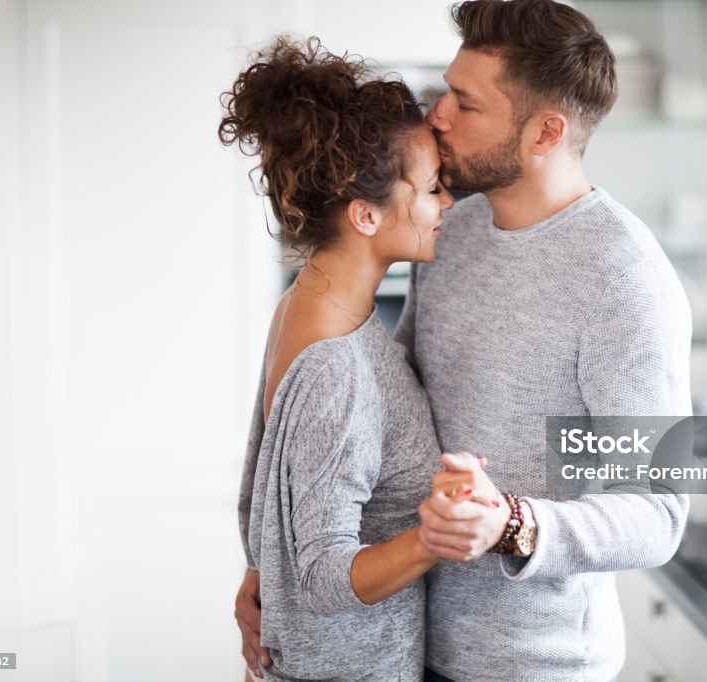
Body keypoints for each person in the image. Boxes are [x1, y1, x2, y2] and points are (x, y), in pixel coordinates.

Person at [237, 0, 693, 678]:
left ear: (545, 133)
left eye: (464, 103)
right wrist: (273, 565)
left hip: (534, 663)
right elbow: (391, 408)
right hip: (409, 639)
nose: (437, 115)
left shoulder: (623, 279)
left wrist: (514, 523)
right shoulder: (453, 231)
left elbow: (658, 511)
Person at [222, 36, 472, 681]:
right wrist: (433, 537)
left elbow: (266, 495)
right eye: (431, 187)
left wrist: (261, 571)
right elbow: (326, 579)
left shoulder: (306, 308)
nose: (446, 203)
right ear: (365, 214)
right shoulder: (336, 363)